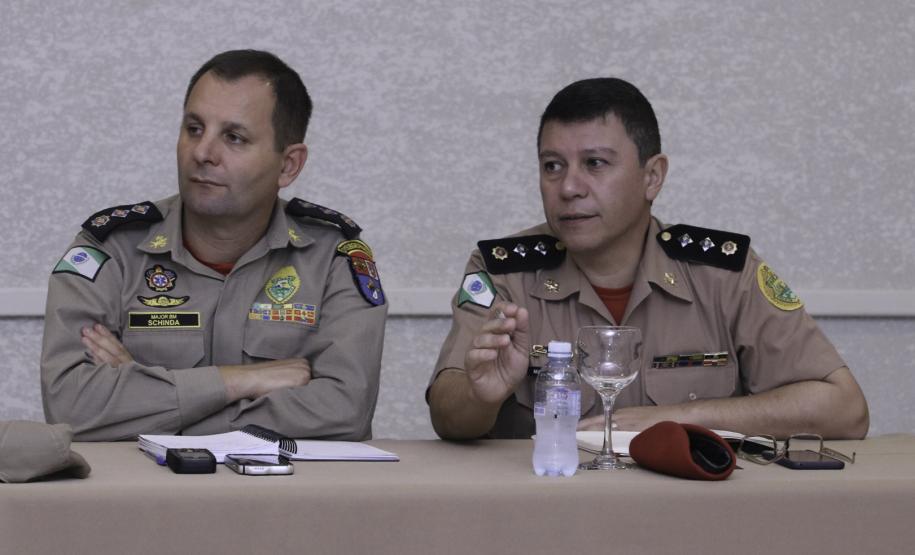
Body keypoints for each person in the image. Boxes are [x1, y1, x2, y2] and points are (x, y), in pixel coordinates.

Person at [428, 77, 869, 441]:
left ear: (652, 176)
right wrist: (479, 396)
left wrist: (680, 419)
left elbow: (844, 408)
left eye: (595, 163)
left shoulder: (721, 273)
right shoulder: (505, 273)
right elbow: (447, 415)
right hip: (552, 507)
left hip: (692, 508)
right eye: (552, 166)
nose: (569, 188)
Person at [41, 50, 387, 441]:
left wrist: (148, 403)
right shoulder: (110, 250)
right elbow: (71, 406)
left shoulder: (333, 258)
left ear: (288, 165)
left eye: (234, 138)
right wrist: (238, 380)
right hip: (145, 484)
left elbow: (345, 412)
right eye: (194, 129)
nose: (203, 153)